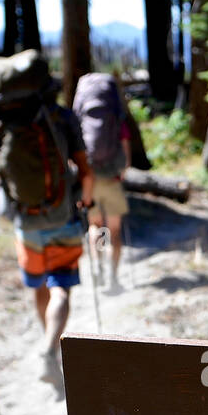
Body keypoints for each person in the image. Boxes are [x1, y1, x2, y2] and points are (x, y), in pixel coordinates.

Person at [8, 78, 95, 392]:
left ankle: (50, 350)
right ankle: (48, 349)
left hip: (26, 222)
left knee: (39, 286)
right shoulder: (62, 117)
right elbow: (84, 170)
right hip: (63, 217)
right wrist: (86, 201)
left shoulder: (7, 119)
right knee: (61, 288)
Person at [85, 117, 131, 295]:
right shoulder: (116, 116)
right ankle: (113, 277)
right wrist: (122, 171)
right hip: (112, 180)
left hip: (91, 181)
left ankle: (98, 263)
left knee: (96, 226)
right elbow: (125, 152)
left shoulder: (82, 116)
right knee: (114, 230)